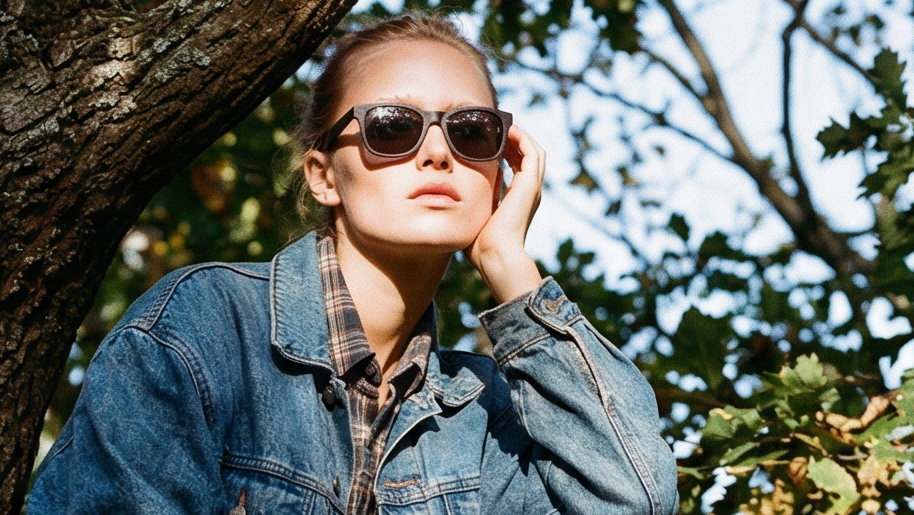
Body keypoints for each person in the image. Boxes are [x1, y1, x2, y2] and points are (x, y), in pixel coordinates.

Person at [28, 12, 679, 515]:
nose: (437, 155)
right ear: (322, 176)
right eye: (392, 127)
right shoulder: (204, 331)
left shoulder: (488, 415)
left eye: (471, 131)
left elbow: (634, 500)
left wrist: (509, 263)